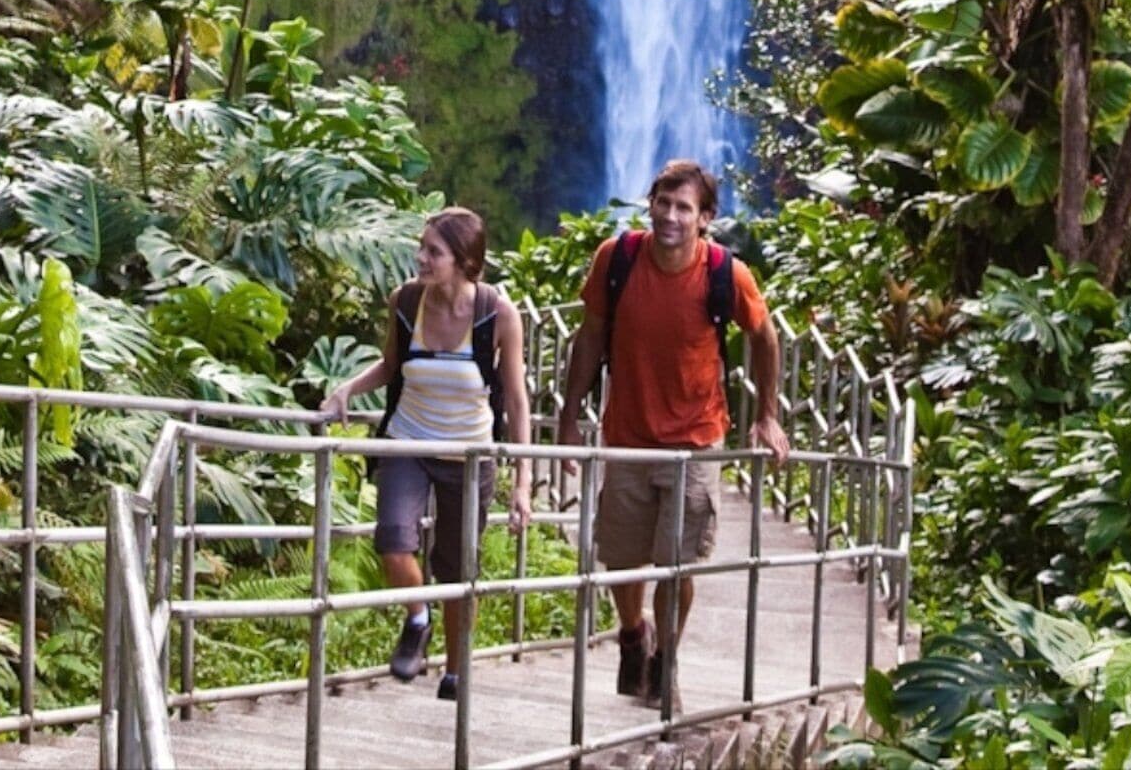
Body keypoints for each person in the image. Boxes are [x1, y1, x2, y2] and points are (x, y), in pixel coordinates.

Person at [551, 159, 787, 709]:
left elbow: (765, 337)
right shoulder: (618, 259)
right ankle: (634, 636)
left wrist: (767, 413)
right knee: (621, 558)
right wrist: (568, 416)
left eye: (685, 208)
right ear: (649, 204)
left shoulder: (728, 275)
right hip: (627, 434)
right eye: (663, 203)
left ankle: (666, 661)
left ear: (705, 219)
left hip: (696, 438)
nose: (670, 217)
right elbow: (589, 338)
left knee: (678, 562)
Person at [322, 206, 530, 698]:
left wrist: (522, 481)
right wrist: (346, 390)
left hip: (469, 453)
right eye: (423, 248)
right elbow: (392, 365)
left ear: (464, 262)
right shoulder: (406, 301)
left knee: (459, 568)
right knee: (394, 539)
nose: (421, 258)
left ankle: (456, 671)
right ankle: (418, 617)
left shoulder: (497, 314)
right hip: (408, 441)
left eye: (432, 252)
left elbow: (517, 400)